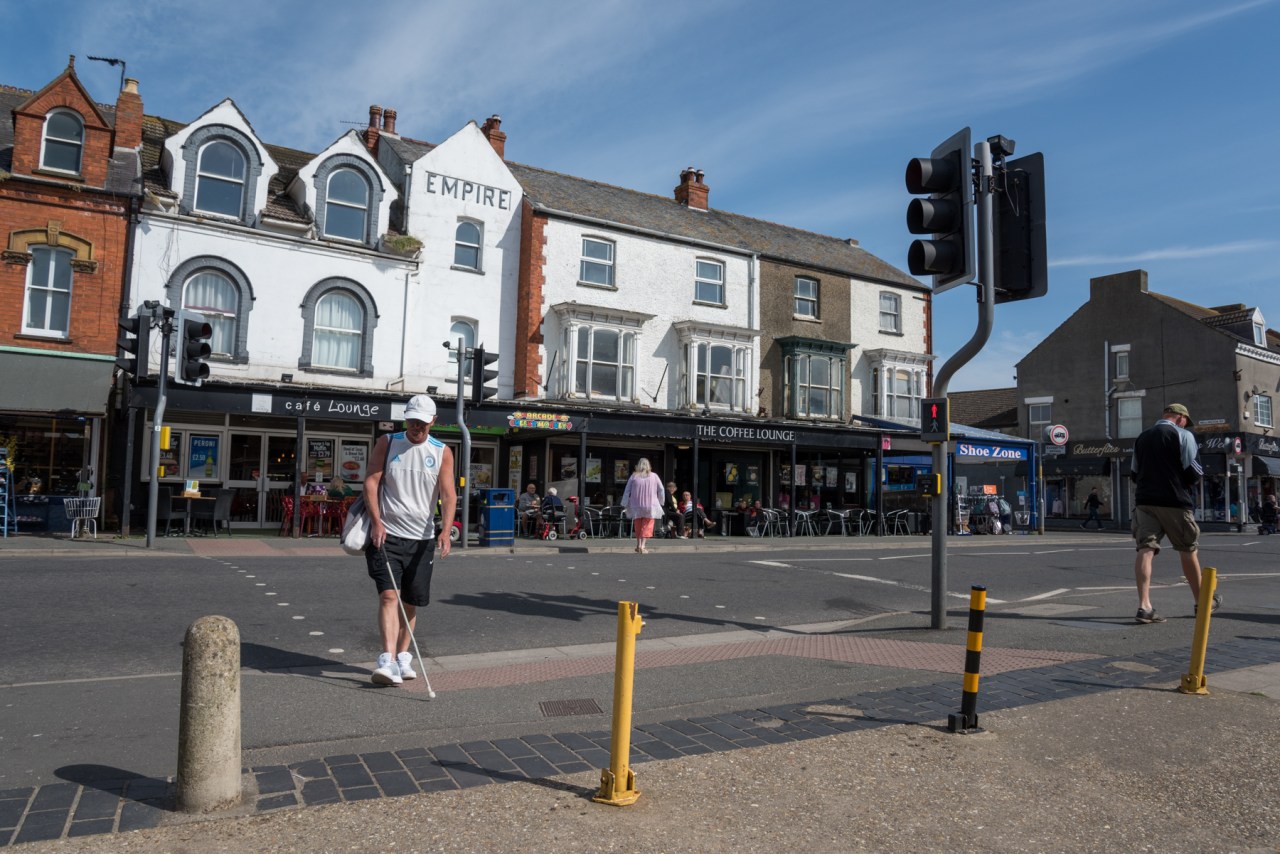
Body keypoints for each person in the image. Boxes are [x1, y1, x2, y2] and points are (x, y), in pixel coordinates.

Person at [364, 394, 455, 686]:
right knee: (389, 595)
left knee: (410, 602)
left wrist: (446, 530)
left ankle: (403, 656)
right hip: (387, 533)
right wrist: (377, 522)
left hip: (422, 538)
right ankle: (387, 660)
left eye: (422, 422)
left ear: (433, 422)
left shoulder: (442, 452)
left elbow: (449, 494)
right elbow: (371, 481)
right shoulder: (388, 443)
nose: (417, 426)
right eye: (412, 420)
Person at [1129, 403, 1220, 624]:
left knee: (1145, 548)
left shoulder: (1142, 437)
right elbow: (1194, 471)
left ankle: (1144, 606)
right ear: (1180, 418)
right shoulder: (1183, 435)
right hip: (1174, 501)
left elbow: (1133, 472)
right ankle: (1201, 603)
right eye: (1184, 421)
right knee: (1188, 549)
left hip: (1145, 501)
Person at [621, 458, 663, 554]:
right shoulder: (654, 476)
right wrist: (660, 501)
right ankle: (643, 546)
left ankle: (638, 544)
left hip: (636, 505)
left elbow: (627, 490)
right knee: (647, 525)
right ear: (649, 465)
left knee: (638, 525)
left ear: (638, 465)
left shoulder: (634, 476)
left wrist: (624, 503)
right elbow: (661, 489)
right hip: (650, 505)